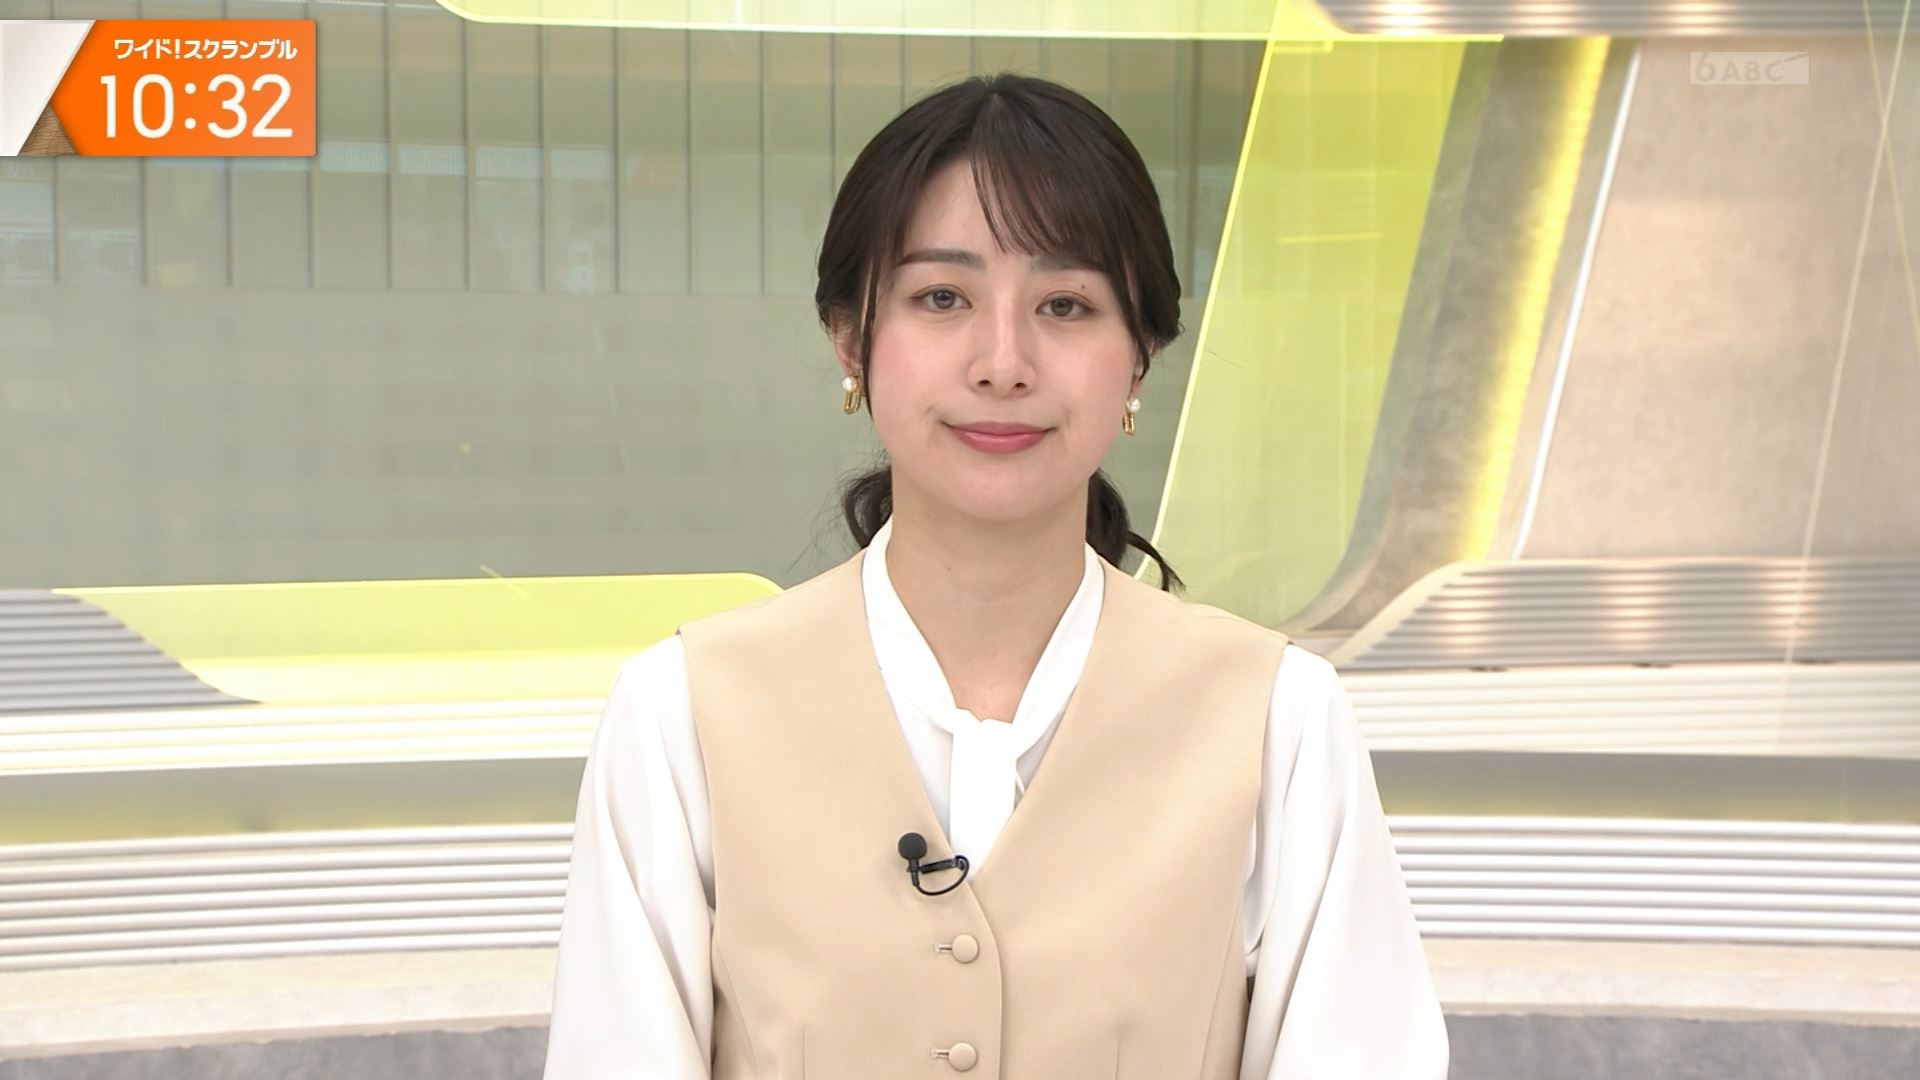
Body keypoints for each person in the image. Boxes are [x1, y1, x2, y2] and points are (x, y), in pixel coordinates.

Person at [542, 72, 1448, 1078]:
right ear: (850, 339)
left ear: (1140, 358)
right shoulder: (681, 716)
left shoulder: (1280, 721)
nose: (1003, 361)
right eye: (942, 298)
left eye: (1066, 304)